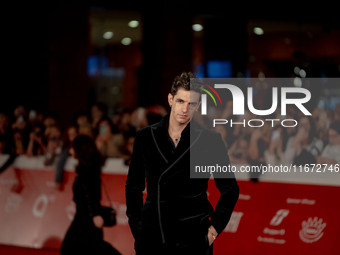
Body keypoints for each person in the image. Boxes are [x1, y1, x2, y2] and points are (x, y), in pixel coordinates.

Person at [125, 72, 239, 255]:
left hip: (193, 239)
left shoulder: (210, 141)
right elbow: (133, 186)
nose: (185, 109)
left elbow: (230, 188)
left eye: (191, 104)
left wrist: (213, 230)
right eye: (180, 101)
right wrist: (137, 227)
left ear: (198, 106)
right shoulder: (145, 137)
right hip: (153, 236)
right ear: (170, 99)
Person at [60, 135, 121, 255]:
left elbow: (92, 193)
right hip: (83, 214)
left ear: (79, 149)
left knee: (90, 247)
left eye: (72, 147)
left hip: (88, 215)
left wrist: (96, 214)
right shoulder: (85, 167)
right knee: (85, 248)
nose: (70, 150)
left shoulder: (88, 169)